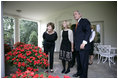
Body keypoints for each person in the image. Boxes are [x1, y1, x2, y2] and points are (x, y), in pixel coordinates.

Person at [72, 10, 91, 78]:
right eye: (74, 14)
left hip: (83, 46)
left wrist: (84, 43)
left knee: (84, 62)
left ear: (80, 15)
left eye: (76, 14)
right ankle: (79, 73)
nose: (74, 15)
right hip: (77, 47)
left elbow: (88, 31)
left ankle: (84, 76)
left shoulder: (84, 21)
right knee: (79, 62)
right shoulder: (76, 24)